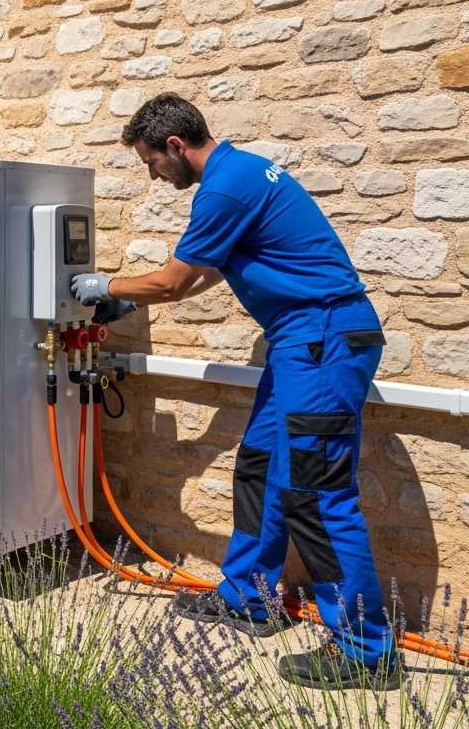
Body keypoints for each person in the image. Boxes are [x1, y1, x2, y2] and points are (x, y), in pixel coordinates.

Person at [71, 92, 400, 690]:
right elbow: (203, 273)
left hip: (322, 339)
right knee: (259, 466)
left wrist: (99, 283)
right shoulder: (239, 175)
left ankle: (366, 650)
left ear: (176, 146)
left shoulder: (224, 187)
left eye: (151, 162)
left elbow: (172, 282)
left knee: (315, 492)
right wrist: (124, 300)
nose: (151, 174)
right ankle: (248, 595)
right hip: (302, 343)